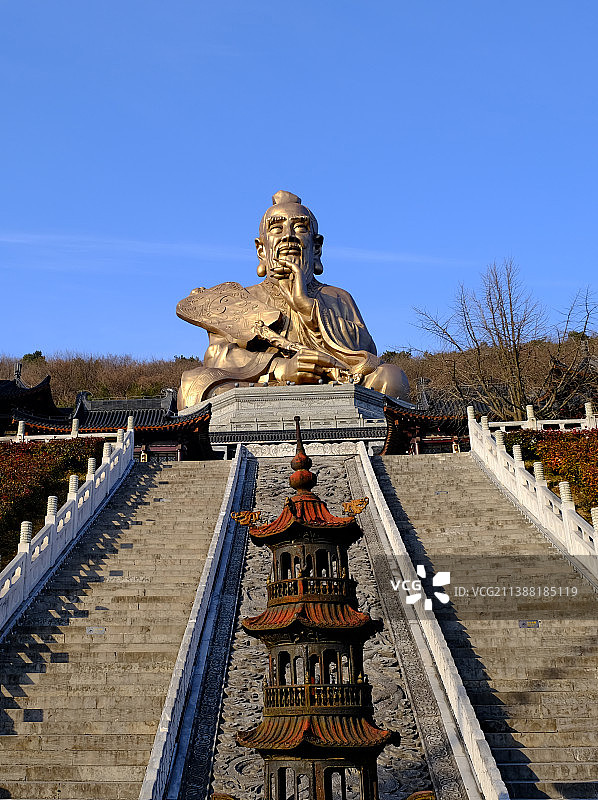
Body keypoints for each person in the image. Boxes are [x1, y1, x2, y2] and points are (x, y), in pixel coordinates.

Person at [177, 191, 409, 408]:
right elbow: (217, 355)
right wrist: (281, 368)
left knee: (391, 377)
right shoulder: (239, 299)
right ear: (261, 250)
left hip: (332, 387)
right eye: (276, 229)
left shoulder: (337, 297)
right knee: (191, 384)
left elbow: (366, 352)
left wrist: (308, 308)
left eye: (299, 227)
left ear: (316, 248)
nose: (288, 237)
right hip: (265, 387)